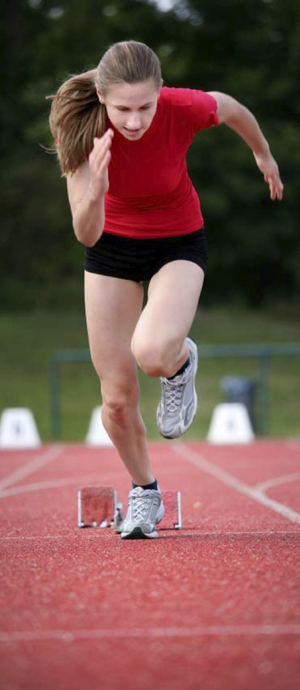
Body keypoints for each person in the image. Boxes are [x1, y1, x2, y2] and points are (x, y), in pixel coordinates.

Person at [49, 40, 283, 540]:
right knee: (115, 399)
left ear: (161, 93)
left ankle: (179, 364)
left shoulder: (183, 107)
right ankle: (145, 492)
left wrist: (263, 155)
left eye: (145, 107)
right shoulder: (83, 131)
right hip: (109, 246)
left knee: (153, 353)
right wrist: (96, 187)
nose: (134, 122)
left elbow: (235, 108)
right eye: (123, 109)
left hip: (178, 238)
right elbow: (86, 234)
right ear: (101, 96)